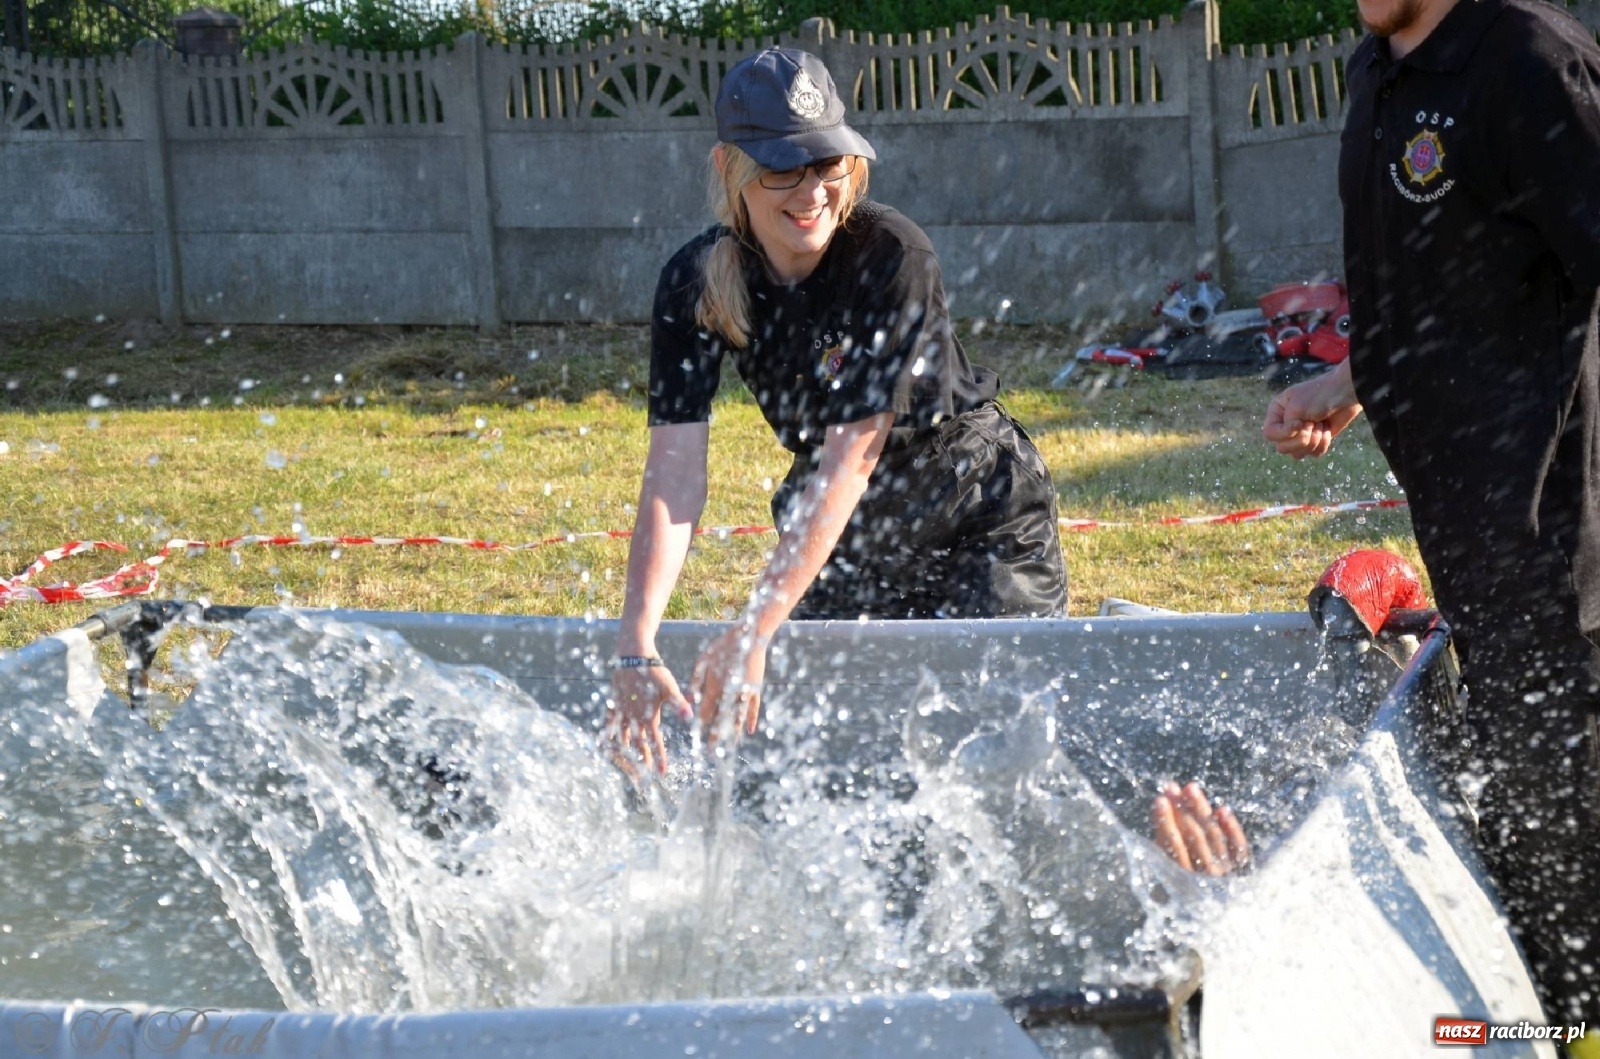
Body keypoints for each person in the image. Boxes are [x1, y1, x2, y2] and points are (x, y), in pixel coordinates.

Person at [1262, 0, 1600, 1026]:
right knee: (1531, 840)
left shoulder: (1530, 64)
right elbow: (1442, 273)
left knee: (1570, 829)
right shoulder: (1378, 73)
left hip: (1565, 538)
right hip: (1468, 540)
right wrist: (1356, 377)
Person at [607, 47, 1068, 773]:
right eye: (782, 169)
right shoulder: (695, 284)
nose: (811, 191)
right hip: (845, 527)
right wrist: (636, 642)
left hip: (973, 509)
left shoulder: (891, 252)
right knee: (826, 754)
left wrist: (756, 625)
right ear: (731, 169)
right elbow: (673, 477)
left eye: (827, 164)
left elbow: (853, 457)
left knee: (991, 754)